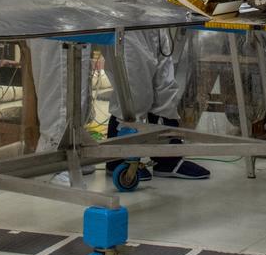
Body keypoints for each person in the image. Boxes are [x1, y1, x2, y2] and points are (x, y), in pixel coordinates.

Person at [103, 28, 209, 180]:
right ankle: (119, 160)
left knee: (166, 89)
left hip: (155, 23)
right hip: (126, 27)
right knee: (133, 93)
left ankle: (169, 159)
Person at [27, 38, 95, 186]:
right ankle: (54, 163)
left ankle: (73, 151)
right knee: (60, 84)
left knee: (75, 81)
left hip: (69, 26)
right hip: (55, 27)